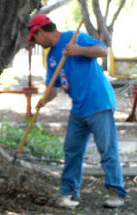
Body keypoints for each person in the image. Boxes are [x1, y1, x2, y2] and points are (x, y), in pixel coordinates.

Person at [26, 14, 127, 208]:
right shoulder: (52, 57)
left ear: (40, 31)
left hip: (98, 103)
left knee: (107, 149)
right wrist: (42, 102)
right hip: (79, 108)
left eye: (34, 38)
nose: (36, 43)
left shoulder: (74, 38)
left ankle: (116, 193)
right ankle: (69, 192)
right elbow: (52, 90)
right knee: (72, 150)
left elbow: (103, 51)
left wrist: (79, 50)